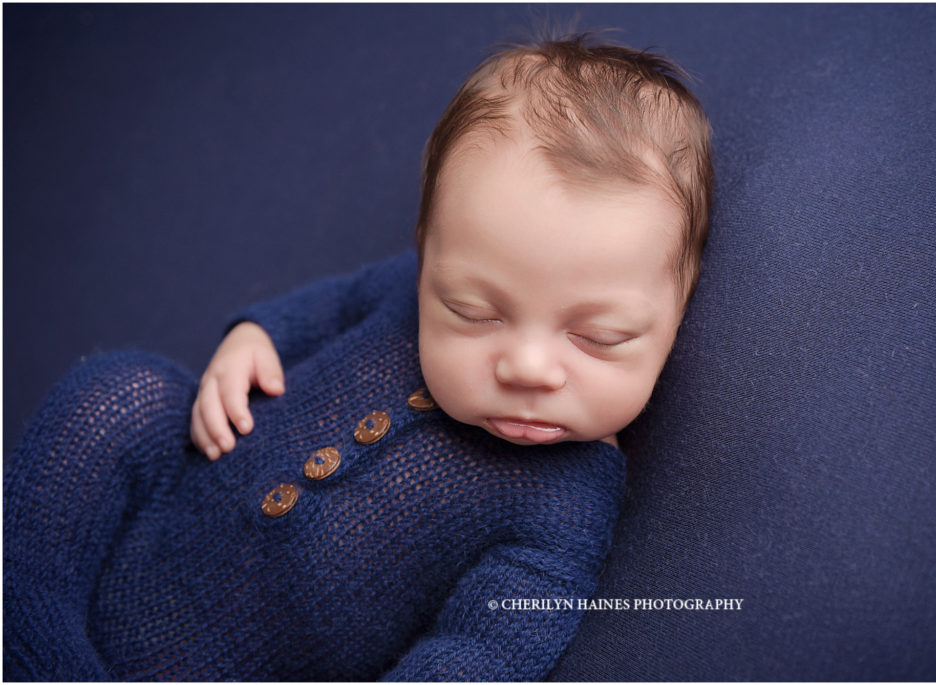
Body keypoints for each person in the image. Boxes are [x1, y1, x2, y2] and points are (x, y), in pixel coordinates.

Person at [3, 34, 712, 681]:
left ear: (676, 317)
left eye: (598, 337)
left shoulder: (565, 507)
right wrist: (257, 337)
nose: (527, 366)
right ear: (428, 254)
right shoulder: (408, 290)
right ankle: (22, 609)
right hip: (141, 532)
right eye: (472, 311)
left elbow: (482, 650)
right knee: (122, 389)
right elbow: (334, 305)